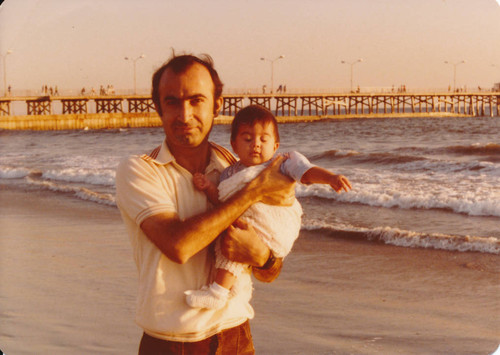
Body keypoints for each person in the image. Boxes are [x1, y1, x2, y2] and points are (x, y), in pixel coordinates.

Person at [115, 54, 295, 354]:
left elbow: (270, 264)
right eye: (172, 102)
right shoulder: (140, 170)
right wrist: (251, 192)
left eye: (196, 100)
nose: (184, 115)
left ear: (217, 104)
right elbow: (179, 245)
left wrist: (263, 257)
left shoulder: (234, 165)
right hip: (171, 343)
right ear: (159, 108)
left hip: (237, 336)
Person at [185, 104, 352, 310]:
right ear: (234, 145)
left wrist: (330, 178)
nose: (256, 144)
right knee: (229, 240)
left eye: (264, 139)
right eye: (247, 139)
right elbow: (224, 202)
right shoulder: (229, 173)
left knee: (235, 238)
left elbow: (305, 172)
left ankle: (218, 292)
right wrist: (209, 187)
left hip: (272, 222)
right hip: (246, 222)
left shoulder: (282, 162)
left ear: (275, 145)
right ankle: (228, 290)